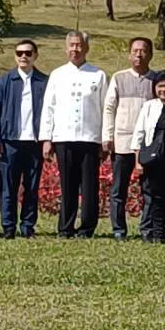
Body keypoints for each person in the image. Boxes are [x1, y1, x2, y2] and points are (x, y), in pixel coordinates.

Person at [40, 31, 109, 238]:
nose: (75, 49)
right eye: (71, 45)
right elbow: (48, 107)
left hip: (90, 138)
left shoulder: (98, 75)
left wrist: (105, 139)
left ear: (86, 48)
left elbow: (105, 108)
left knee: (89, 186)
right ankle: (65, 227)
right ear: (66, 48)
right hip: (64, 137)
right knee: (67, 185)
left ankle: (87, 228)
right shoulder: (57, 74)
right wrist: (46, 138)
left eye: (79, 45)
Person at [0, 39, 48, 239]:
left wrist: (48, 139)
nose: (23, 56)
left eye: (28, 53)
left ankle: (28, 226)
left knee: (32, 187)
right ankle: (8, 226)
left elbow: (52, 112)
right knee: (8, 187)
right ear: (15, 56)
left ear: (35, 56)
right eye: (19, 53)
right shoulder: (5, 81)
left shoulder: (44, 82)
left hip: (35, 143)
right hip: (10, 142)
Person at [103, 37, 158, 240]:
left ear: (150, 55)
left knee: (149, 190)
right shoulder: (119, 78)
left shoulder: (156, 80)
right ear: (129, 54)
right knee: (119, 189)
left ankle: (147, 229)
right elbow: (109, 108)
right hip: (122, 142)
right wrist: (107, 136)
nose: (139, 55)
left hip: (148, 144)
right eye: (135, 51)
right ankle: (119, 229)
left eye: (143, 51)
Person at [129, 70, 165, 242]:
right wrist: (138, 161)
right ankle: (158, 234)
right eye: (160, 86)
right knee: (157, 198)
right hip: (154, 160)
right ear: (155, 88)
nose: (163, 90)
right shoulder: (149, 106)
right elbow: (139, 134)